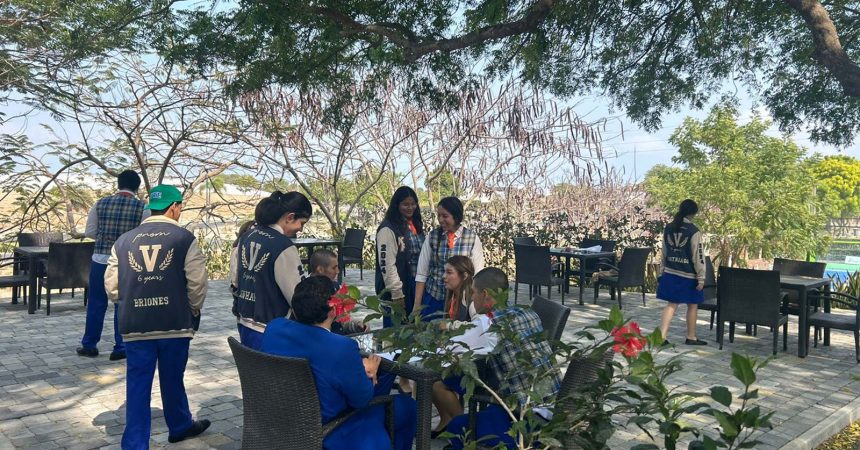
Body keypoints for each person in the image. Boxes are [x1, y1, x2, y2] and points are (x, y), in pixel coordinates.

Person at [104, 184, 210, 449]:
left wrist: (129, 302)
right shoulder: (184, 239)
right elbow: (197, 282)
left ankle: (135, 443)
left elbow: (112, 286)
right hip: (173, 323)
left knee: (138, 384)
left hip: (136, 325)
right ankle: (179, 425)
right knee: (173, 377)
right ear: (174, 207)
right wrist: (193, 308)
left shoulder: (124, 240)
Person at [260, 276, 417, 450]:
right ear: (333, 310)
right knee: (408, 406)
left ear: (295, 309)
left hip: (280, 418)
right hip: (331, 428)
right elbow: (362, 399)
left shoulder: (274, 328)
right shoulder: (340, 348)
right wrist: (369, 370)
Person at [439, 267, 560, 447]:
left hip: (526, 420)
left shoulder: (488, 323)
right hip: (556, 412)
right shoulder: (527, 311)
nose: (472, 298)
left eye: (473, 293)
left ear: (485, 294)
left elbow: (445, 353)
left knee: (458, 425)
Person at [77, 169, 147, 360]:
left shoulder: (99, 204)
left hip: (100, 259)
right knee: (122, 304)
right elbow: (142, 236)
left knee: (96, 303)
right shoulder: (142, 207)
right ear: (137, 187)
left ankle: (89, 344)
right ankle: (121, 347)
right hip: (126, 261)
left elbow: (90, 232)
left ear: (118, 184)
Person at [230, 191, 311, 350]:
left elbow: (234, 282)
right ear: (289, 217)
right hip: (273, 330)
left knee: (255, 374)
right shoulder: (283, 246)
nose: (300, 229)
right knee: (274, 374)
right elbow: (298, 297)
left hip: (245, 324)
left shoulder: (247, 236)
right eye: (302, 223)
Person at [413, 196, 485, 319]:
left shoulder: (471, 239)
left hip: (460, 302)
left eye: (445, 216)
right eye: (439, 215)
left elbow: (478, 275)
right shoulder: (433, 237)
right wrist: (417, 306)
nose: (440, 220)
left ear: (456, 216)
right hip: (434, 298)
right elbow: (421, 273)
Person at [657, 199, 707, 346]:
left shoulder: (669, 227)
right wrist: (701, 277)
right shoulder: (694, 231)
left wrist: (662, 271)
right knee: (692, 304)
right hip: (688, 275)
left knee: (671, 304)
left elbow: (664, 251)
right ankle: (691, 337)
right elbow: (697, 256)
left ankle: (661, 337)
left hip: (671, 272)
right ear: (693, 213)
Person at [375, 186, 425, 327]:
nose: (410, 208)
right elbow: (387, 265)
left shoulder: (415, 225)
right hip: (398, 289)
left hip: (415, 286)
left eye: (413, 204)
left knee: (412, 330)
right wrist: (397, 294)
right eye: (405, 204)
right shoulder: (388, 229)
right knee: (396, 332)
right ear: (397, 205)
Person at [310, 252, 368, 334]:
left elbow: (343, 319)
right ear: (320, 269)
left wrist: (356, 325)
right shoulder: (306, 292)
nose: (338, 271)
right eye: (334, 268)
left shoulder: (335, 287)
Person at [442, 255, 475, 322]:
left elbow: (478, 326)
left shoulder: (472, 301)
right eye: (444, 272)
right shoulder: (451, 295)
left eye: (449, 272)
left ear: (464, 276)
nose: (443, 276)